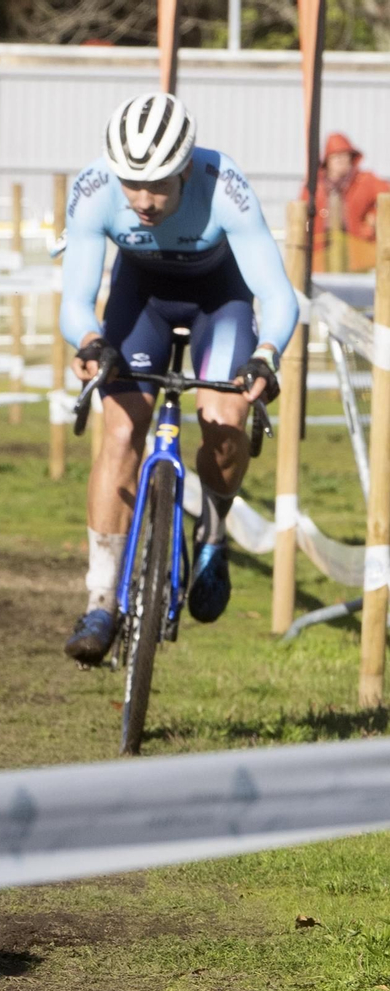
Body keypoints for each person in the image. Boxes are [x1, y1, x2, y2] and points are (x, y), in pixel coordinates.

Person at [60, 92, 296, 665]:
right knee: (120, 433)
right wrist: (89, 341)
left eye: (160, 185)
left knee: (222, 419)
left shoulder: (225, 185)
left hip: (220, 303)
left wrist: (266, 354)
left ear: (186, 168)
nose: (142, 200)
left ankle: (212, 534)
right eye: (131, 184)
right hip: (142, 301)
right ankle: (100, 598)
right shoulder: (94, 189)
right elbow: (76, 297)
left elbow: (277, 294)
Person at [305, 132, 388, 274]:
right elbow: (303, 216)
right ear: (327, 161)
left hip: (358, 251)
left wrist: (373, 218)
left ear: (352, 159)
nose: (341, 161)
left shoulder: (365, 180)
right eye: (336, 157)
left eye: (345, 156)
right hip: (321, 254)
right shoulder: (314, 185)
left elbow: (387, 198)